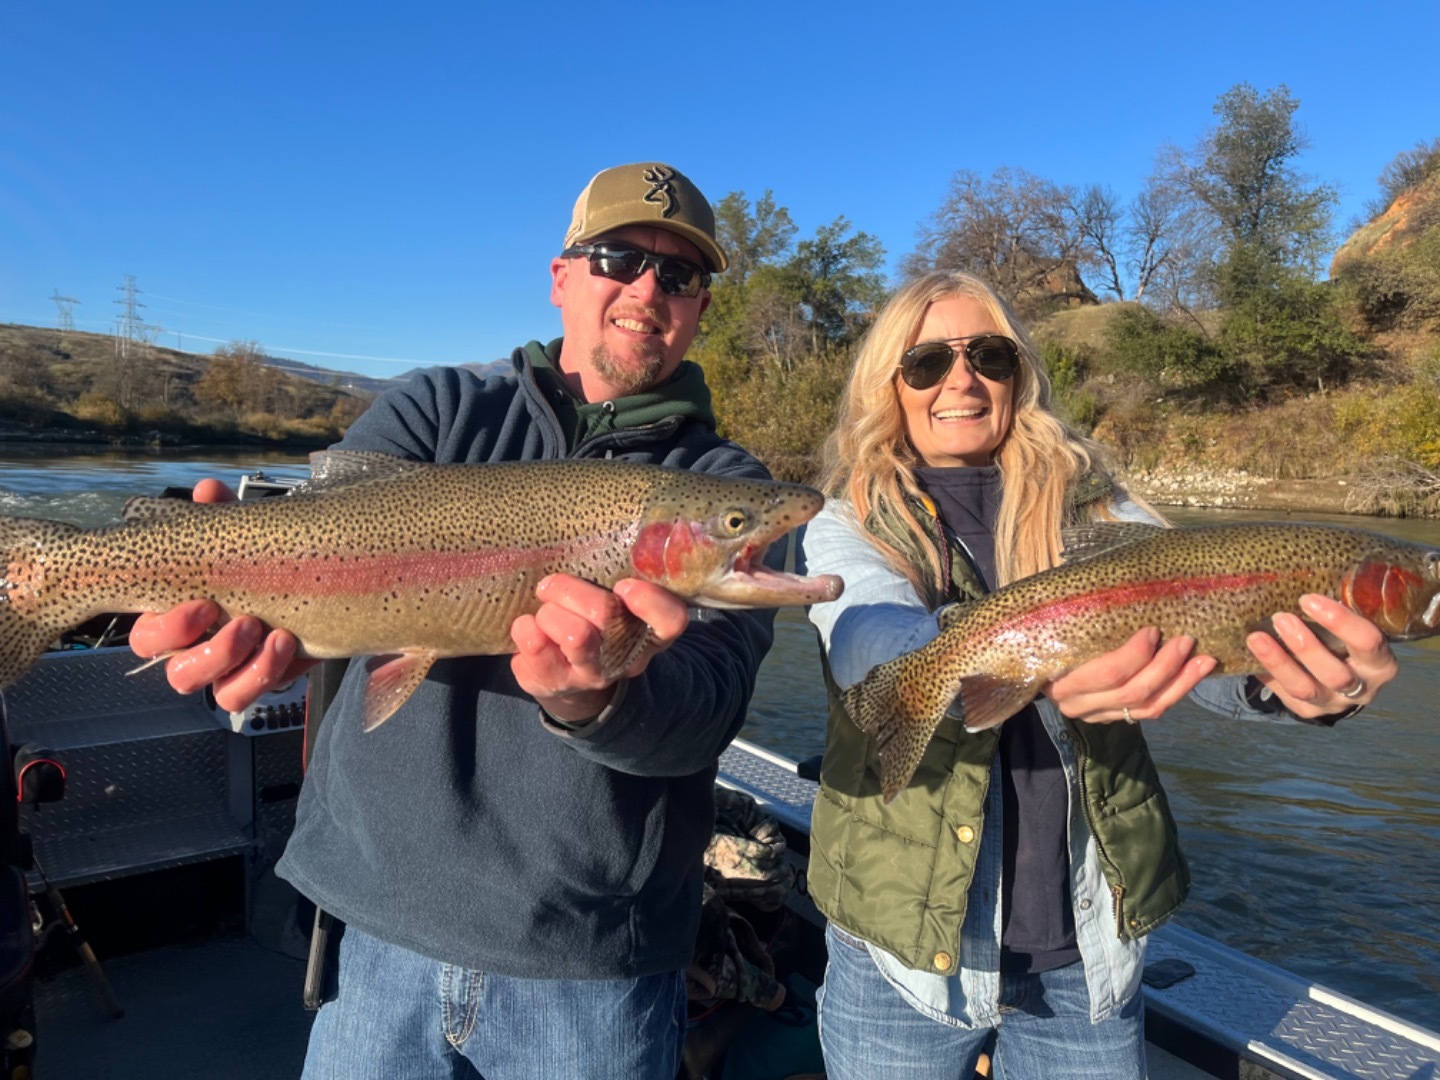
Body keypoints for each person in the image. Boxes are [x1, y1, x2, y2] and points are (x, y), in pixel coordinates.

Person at [129, 162, 776, 1080]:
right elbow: (324, 548)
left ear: (701, 307)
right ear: (562, 278)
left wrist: (599, 702)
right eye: (617, 258)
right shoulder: (438, 406)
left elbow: (708, 711)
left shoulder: (727, 496)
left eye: (678, 275)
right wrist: (241, 631)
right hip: (379, 922)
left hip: (589, 961)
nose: (645, 288)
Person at [798, 269, 1401, 1080]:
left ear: (1021, 374)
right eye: (927, 363)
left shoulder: (1101, 508)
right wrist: (1029, 659)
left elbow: (1211, 662)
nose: (962, 380)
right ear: (890, 385)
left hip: (1089, 951)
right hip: (900, 950)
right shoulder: (847, 519)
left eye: (989, 355)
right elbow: (863, 636)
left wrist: (1295, 689)